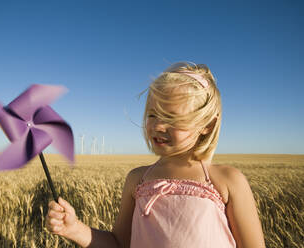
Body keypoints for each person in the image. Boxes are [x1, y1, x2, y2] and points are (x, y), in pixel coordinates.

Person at [45, 62, 266, 248]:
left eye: (172, 117)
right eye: (153, 114)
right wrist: (75, 229)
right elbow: (119, 244)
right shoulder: (137, 179)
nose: (159, 125)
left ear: (207, 125)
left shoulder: (226, 180)